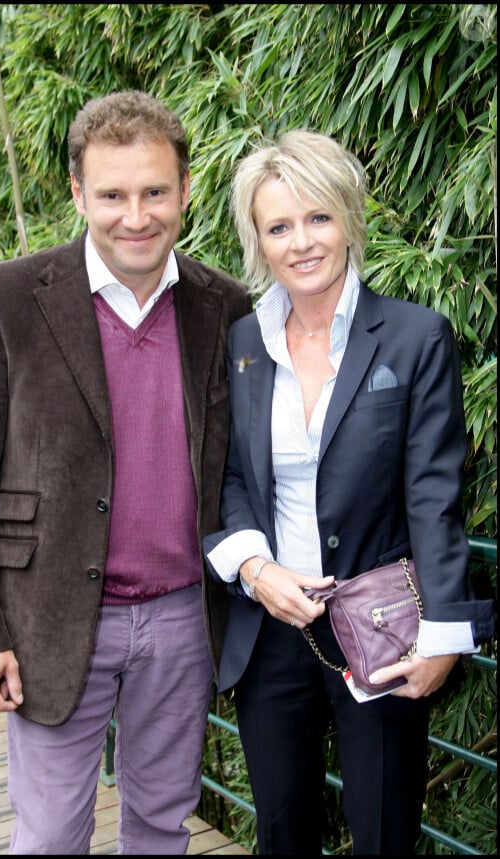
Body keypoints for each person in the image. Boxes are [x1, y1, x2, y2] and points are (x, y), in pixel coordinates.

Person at [0, 89, 252, 855]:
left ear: (184, 190)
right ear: (78, 194)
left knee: (159, 827)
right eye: (111, 194)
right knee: (49, 835)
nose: (135, 215)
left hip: (180, 619)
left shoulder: (225, 307)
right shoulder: (7, 297)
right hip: (50, 617)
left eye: (154, 192)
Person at [202, 129, 495, 855]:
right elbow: (230, 475)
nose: (301, 241)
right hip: (272, 626)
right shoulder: (241, 343)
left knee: (385, 827)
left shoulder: (413, 336)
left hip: (385, 625)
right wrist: (255, 569)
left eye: (318, 217)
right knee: (281, 828)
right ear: (258, 241)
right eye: (279, 226)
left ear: (348, 219)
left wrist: (444, 635)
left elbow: (433, 493)